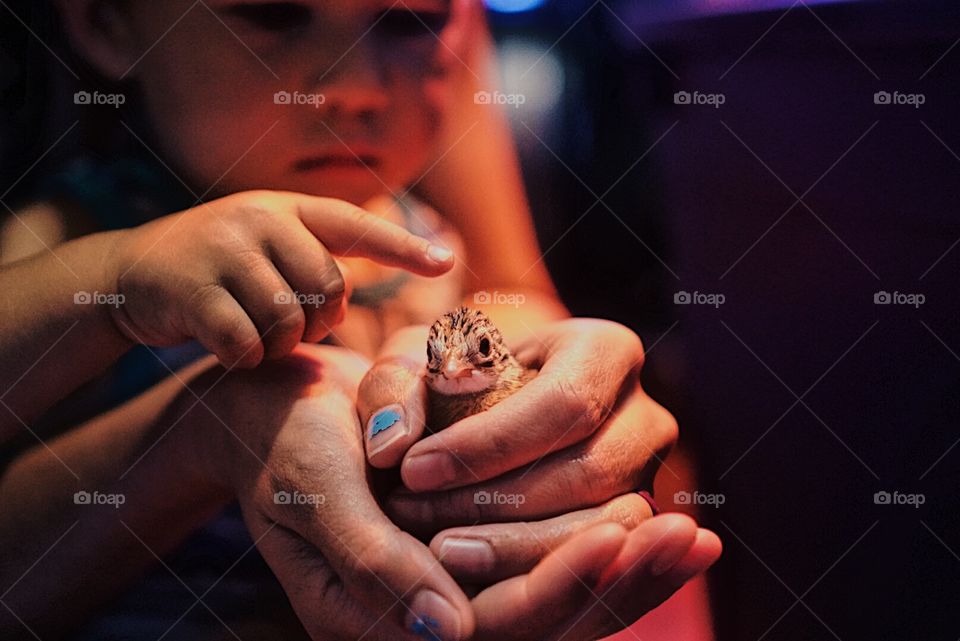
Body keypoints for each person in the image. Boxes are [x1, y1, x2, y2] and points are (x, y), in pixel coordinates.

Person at [0, 1, 721, 639]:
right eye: (272, 14)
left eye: (410, 20)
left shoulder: (430, 241)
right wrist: (122, 284)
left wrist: (549, 429)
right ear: (107, 20)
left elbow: (515, 311)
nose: (355, 87)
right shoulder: (85, 231)